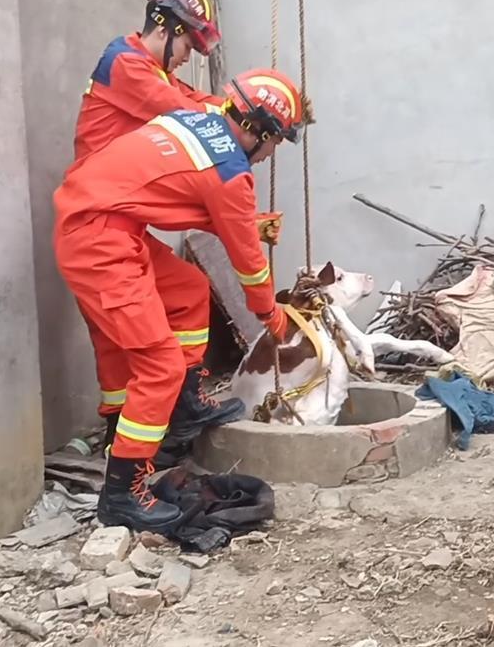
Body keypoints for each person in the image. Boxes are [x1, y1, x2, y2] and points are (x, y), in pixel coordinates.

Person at [53, 68, 308, 531]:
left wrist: (245, 223)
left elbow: (182, 194)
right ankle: (122, 494)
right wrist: (270, 314)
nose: (272, 152)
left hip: (105, 224)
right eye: (275, 141)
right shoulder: (230, 173)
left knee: (188, 288)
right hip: (100, 242)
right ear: (257, 128)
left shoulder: (197, 118)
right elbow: (249, 263)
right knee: (160, 367)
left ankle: (186, 405)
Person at [70, 0, 261, 470]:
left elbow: (198, 101)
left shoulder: (148, 68)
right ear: (166, 27)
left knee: (184, 292)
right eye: (188, 45)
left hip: (116, 217)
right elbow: (191, 114)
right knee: (144, 353)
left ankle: (170, 409)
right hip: (100, 217)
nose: (187, 56)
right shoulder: (127, 65)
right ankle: (131, 457)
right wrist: (249, 121)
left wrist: (244, 110)